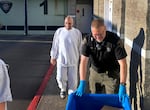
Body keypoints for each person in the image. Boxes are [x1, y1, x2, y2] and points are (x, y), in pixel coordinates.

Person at [75, 19, 128, 104]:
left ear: (105, 29)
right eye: (95, 35)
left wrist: (122, 84)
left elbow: (123, 64)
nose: (98, 37)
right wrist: (82, 82)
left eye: (101, 34)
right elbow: (83, 62)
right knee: (94, 100)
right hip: (95, 72)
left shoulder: (115, 40)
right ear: (91, 31)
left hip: (111, 74)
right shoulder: (87, 41)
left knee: (112, 102)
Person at [50, 16, 82, 99]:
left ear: (73, 23)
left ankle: (72, 93)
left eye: (70, 23)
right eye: (67, 23)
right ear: (64, 23)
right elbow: (55, 45)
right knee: (60, 77)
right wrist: (53, 56)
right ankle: (63, 89)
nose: (68, 25)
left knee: (73, 79)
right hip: (61, 59)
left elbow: (80, 46)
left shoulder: (77, 32)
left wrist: (82, 57)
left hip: (73, 59)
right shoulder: (59, 32)